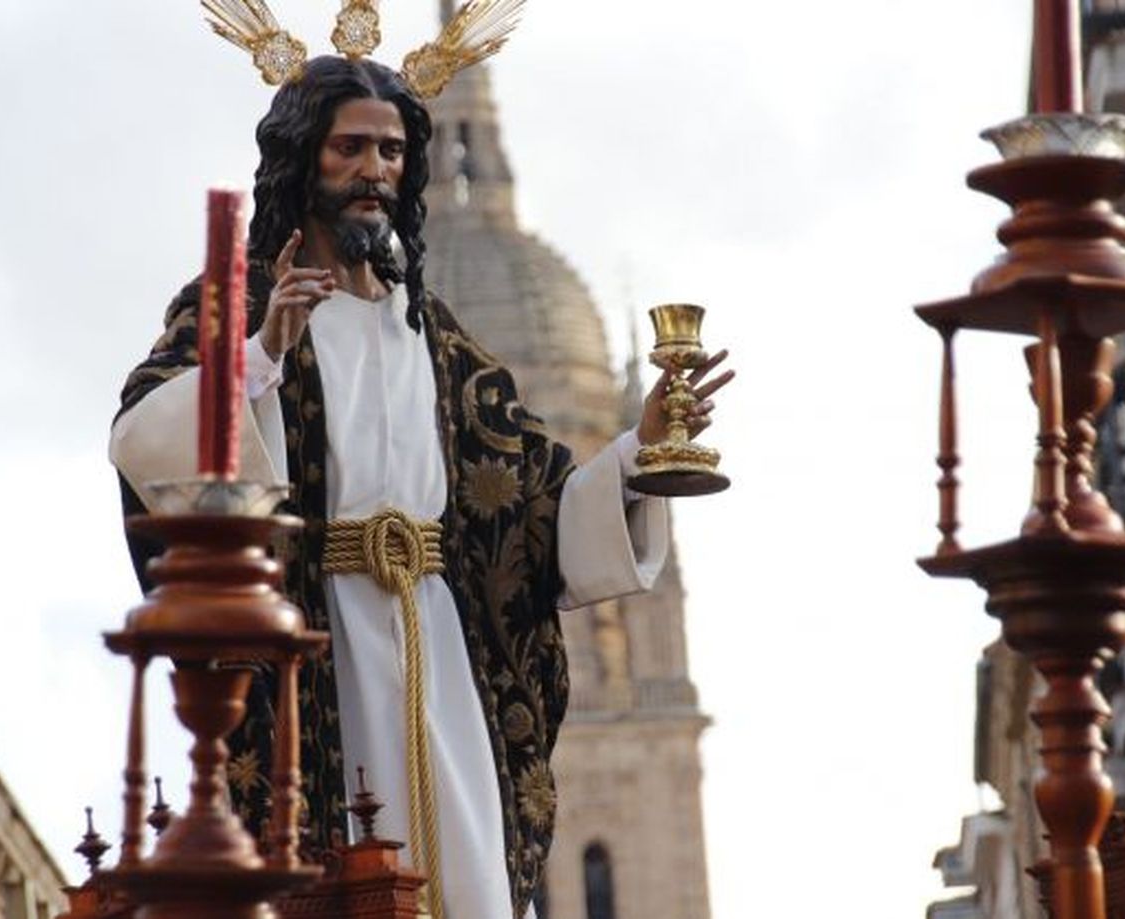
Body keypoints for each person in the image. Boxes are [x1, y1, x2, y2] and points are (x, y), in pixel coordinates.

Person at [110, 54, 732, 919]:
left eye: (393, 152)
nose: (375, 170)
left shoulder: (430, 332)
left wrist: (640, 448)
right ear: (304, 157)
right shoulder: (237, 303)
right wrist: (263, 354)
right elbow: (145, 441)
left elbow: (528, 510)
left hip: (443, 652)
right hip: (319, 648)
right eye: (351, 148)